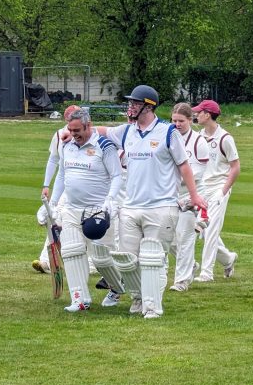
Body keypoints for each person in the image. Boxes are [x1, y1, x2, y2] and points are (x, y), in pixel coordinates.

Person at [99, 85, 206, 318]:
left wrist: (194, 195)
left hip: (162, 207)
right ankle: (138, 298)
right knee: (127, 260)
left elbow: (184, 165)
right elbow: (101, 131)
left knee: (154, 259)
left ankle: (152, 305)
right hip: (131, 206)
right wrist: (67, 130)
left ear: (148, 106)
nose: (130, 106)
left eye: (135, 103)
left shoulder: (168, 132)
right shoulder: (127, 131)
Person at [47, 108, 123, 311]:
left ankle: (117, 288)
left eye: (77, 130)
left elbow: (117, 176)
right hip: (72, 209)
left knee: (101, 258)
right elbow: (62, 174)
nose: (74, 135)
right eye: (70, 130)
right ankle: (80, 299)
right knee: (72, 252)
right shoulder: (67, 145)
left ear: (89, 126)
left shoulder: (105, 146)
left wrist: (110, 199)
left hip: (98, 210)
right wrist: (53, 203)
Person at [191, 100, 240, 283]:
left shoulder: (225, 138)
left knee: (210, 229)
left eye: (199, 112)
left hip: (219, 188)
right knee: (203, 232)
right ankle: (228, 259)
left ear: (208, 114)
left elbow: (235, 167)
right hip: (202, 189)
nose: (196, 115)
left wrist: (223, 192)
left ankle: (206, 272)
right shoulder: (198, 136)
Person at [33, 104, 82, 273]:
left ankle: (91, 263)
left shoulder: (91, 137)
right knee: (55, 220)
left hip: (88, 191)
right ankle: (46, 260)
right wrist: (48, 188)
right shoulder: (60, 136)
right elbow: (55, 162)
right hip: (67, 188)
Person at [168, 103, 210, 291]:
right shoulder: (167, 136)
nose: (177, 124)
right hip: (169, 194)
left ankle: (182, 281)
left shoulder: (198, 142)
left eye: (181, 121)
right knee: (167, 237)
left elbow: (199, 173)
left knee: (185, 237)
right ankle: (191, 265)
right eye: (174, 120)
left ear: (190, 120)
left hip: (190, 195)